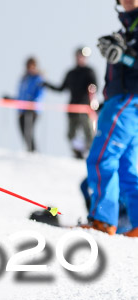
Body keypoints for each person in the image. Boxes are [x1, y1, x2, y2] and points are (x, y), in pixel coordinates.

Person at [83, 0, 138, 236]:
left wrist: (124, 56)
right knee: (127, 168)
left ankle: (102, 220)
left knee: (102, 158)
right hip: (123, 100)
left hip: (127, 100)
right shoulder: (127, 29)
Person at [44, 48, 98, 159]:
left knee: (88, 133)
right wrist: (47, 85)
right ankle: (78, 153)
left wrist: (92, 93)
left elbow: (95, 86)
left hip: (84, 108)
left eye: (83, 56)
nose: (80, 58)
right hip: (72, 108)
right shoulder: (71, 73)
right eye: (79, 55)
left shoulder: (89, 71)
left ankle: (92, 153)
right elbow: (61, 88)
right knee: (70, 134)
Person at [16, 57, 45, 153]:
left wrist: (33, 102)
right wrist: (13, 99)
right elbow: (21, 94)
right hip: (22, 109)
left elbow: (40, 94)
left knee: (29, 130)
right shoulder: (24, 79)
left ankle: (33, 151)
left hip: (33, 109)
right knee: (23, 131)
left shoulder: (38, 79)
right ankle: (29, 149)